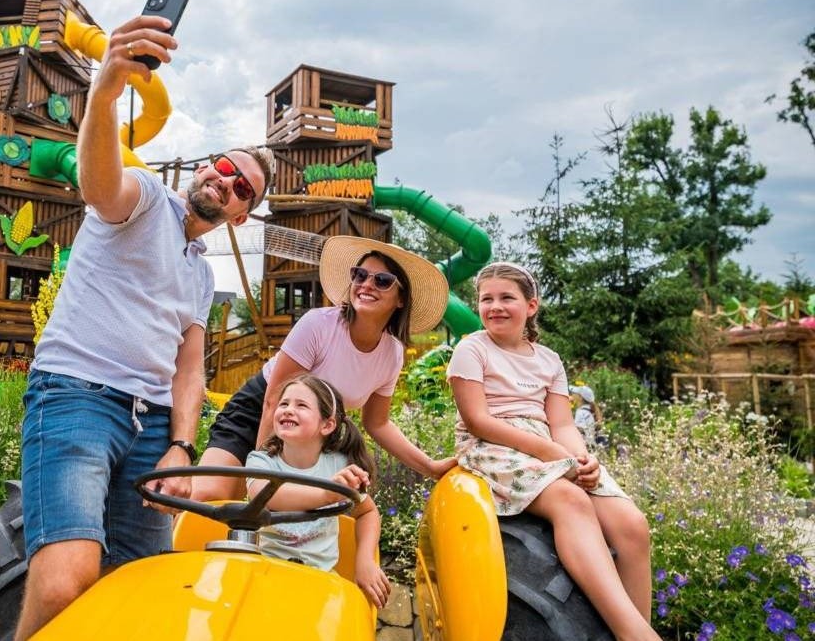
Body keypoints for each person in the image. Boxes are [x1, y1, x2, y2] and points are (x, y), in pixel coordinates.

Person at [12, 10, 274, 641]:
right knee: (64, 579)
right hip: (76, 394)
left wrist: (182, 444)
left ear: (241, 216)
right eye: (222, 164)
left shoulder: (202, 276)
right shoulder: (145, 199)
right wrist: (104, 91)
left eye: (242, 186)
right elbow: (97, 182)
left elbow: (190, 368)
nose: (224, 178)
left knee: (141, 578)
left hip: (152, 420)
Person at [447, 262, 658, 641]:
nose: (495, 306)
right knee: (569, 499)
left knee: (632, 526)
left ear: (531, 306)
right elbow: (478, 420)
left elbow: (561, 423)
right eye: (486, 299)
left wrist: (581, 458)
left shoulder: (548, 359)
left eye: (506, 298)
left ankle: (638, 623)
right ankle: (635, 635)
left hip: (551, 444)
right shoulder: (471, 349)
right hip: (494, 444)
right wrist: (551, 454)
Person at [194, 235, 456, 502]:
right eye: (360, 275)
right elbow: (273, 401)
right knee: (211, 496)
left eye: (383, 280)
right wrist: (266, 470)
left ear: (401, 298)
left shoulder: (392, 353)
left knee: (304, 514)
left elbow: (377, 423)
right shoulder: (319, 325)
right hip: (259, 410)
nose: (367, 284)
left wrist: (430, 467)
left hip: (314, 435)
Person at [246, 374, 391, 609]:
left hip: (321, 579)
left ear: (327, 424)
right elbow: (266, 495)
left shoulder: (338, 466)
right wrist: (327, 494)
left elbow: (367, 512)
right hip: (266, 572)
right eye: (284, 404)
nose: (288, 410)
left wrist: (365, 561)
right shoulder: (261, 462)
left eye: (301, 405)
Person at [571, 384, 604, 449]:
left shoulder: (581, 412)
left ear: (580, 397)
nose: (572, 394)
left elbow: (580, 430)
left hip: (584, 447)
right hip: (591, 446)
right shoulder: (590, 411)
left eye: (575, 393)